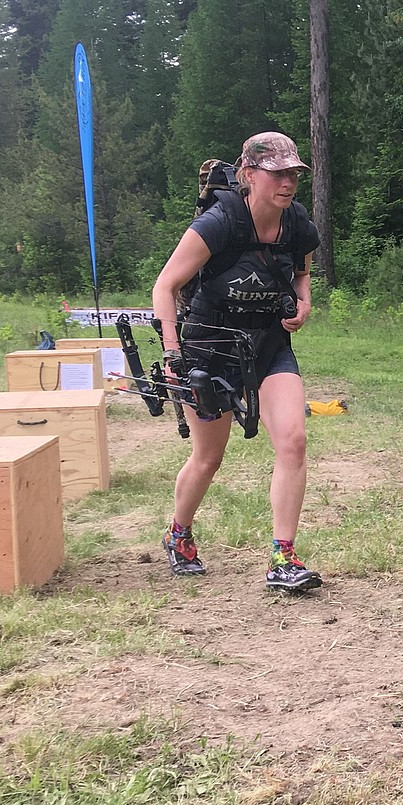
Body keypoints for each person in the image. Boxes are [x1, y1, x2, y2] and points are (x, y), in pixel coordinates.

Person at [151, 132, 322, 593]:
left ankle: (282, 557)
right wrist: (173, 354)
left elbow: (302, 274)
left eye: (294, 174)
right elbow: (164, 286)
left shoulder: (298, 224)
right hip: (210, 347)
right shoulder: (219, 222)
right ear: (249, 175)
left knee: (293, 440)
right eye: (277, 173)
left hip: (268, 345)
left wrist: (303, 304)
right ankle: (179, 533)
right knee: (208, 456)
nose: (288, 183)